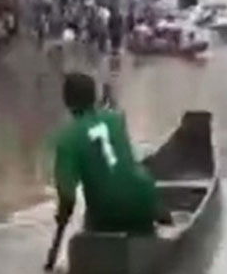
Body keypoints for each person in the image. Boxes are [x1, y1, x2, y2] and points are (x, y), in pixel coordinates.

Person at [51, 73, 159, 239]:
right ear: (94, 97)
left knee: (93, 223)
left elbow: (67, 195)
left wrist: (62, 216)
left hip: (105, 214)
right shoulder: (116, 119)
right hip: (144, 202)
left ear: (66, 100)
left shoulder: (67, 138)